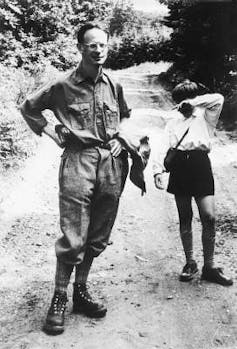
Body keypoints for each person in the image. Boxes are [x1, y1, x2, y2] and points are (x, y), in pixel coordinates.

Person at [20, 22, 148, 335]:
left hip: (111, 162)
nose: (98, 50)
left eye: (103, 45)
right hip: (78, 159)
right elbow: (29, 108)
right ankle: (59, 297)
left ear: (108, 47)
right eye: (92, 45)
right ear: (81, 48)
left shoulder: (113, 84)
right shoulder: (63, 84)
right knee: (73, 234)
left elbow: (125, 115)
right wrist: (51, 133)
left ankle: (81, 289)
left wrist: (121, 138)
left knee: (98, 233)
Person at [153, 80, 233, 287]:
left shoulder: (206, 117)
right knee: (185, 217)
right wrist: (157, 171)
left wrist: (193, 102)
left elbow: (218, 98)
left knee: (209, 216)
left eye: (186, 99)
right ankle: (190, 263)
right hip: (180, 166)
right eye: (180, 100)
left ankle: (210, 266)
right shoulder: (174, 122)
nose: (184, 104)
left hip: (200, 164)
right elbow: (162, 146)